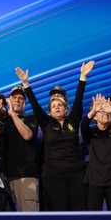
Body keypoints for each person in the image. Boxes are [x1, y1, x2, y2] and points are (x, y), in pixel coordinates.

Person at [16, 61, 94, 211]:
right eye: (54, 106)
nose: (57, 107)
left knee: (78, 210)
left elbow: (79, 99)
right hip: (53, 176)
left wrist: (82, 77)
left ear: (66, 109)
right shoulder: (46, 123)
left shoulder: (73, 120)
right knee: (59, 210)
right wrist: (25, 83)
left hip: (76, 174)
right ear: (50, 111)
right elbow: (35, 104)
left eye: (60, 105)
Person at [82, 94, 111, 211]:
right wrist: (92, 112)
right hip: (94, 182)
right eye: (101, 111)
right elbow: (83, 126)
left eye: (106, 111)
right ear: (95, 117)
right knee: (93, 217)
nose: (105, 114)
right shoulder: (91, 133)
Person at [2, 86, 40, 211]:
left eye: (20, 98)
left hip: (26, 176)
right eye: (14, 98)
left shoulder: (31, 119)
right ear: (9, 100)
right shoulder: (3, 121)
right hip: (6, 178)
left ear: (24, 103)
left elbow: (28, 135)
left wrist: (13, 114)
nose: (17, 100)